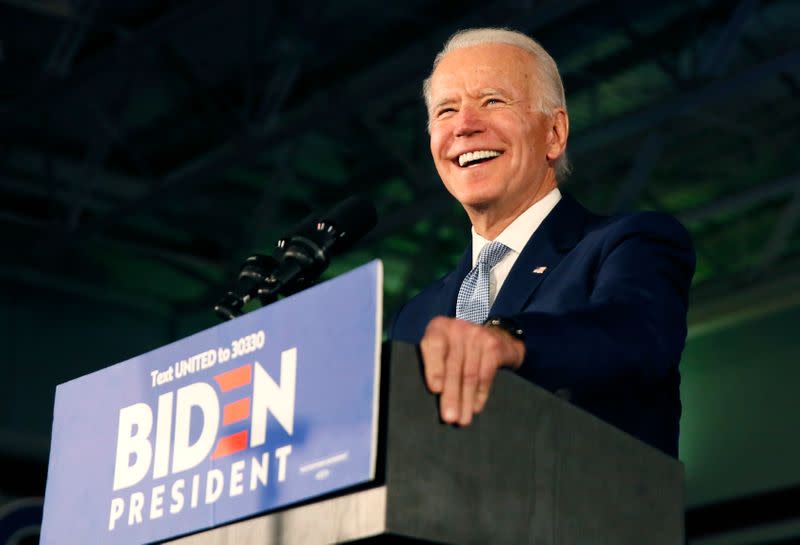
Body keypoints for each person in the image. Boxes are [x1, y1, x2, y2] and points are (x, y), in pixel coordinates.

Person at [390, 28, 695, 457]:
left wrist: (509, 339)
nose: (464, 126)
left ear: (554, 133)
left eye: (493, 101)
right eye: (446, 110)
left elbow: (637, 333)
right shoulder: (415, 316)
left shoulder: (628, 243)